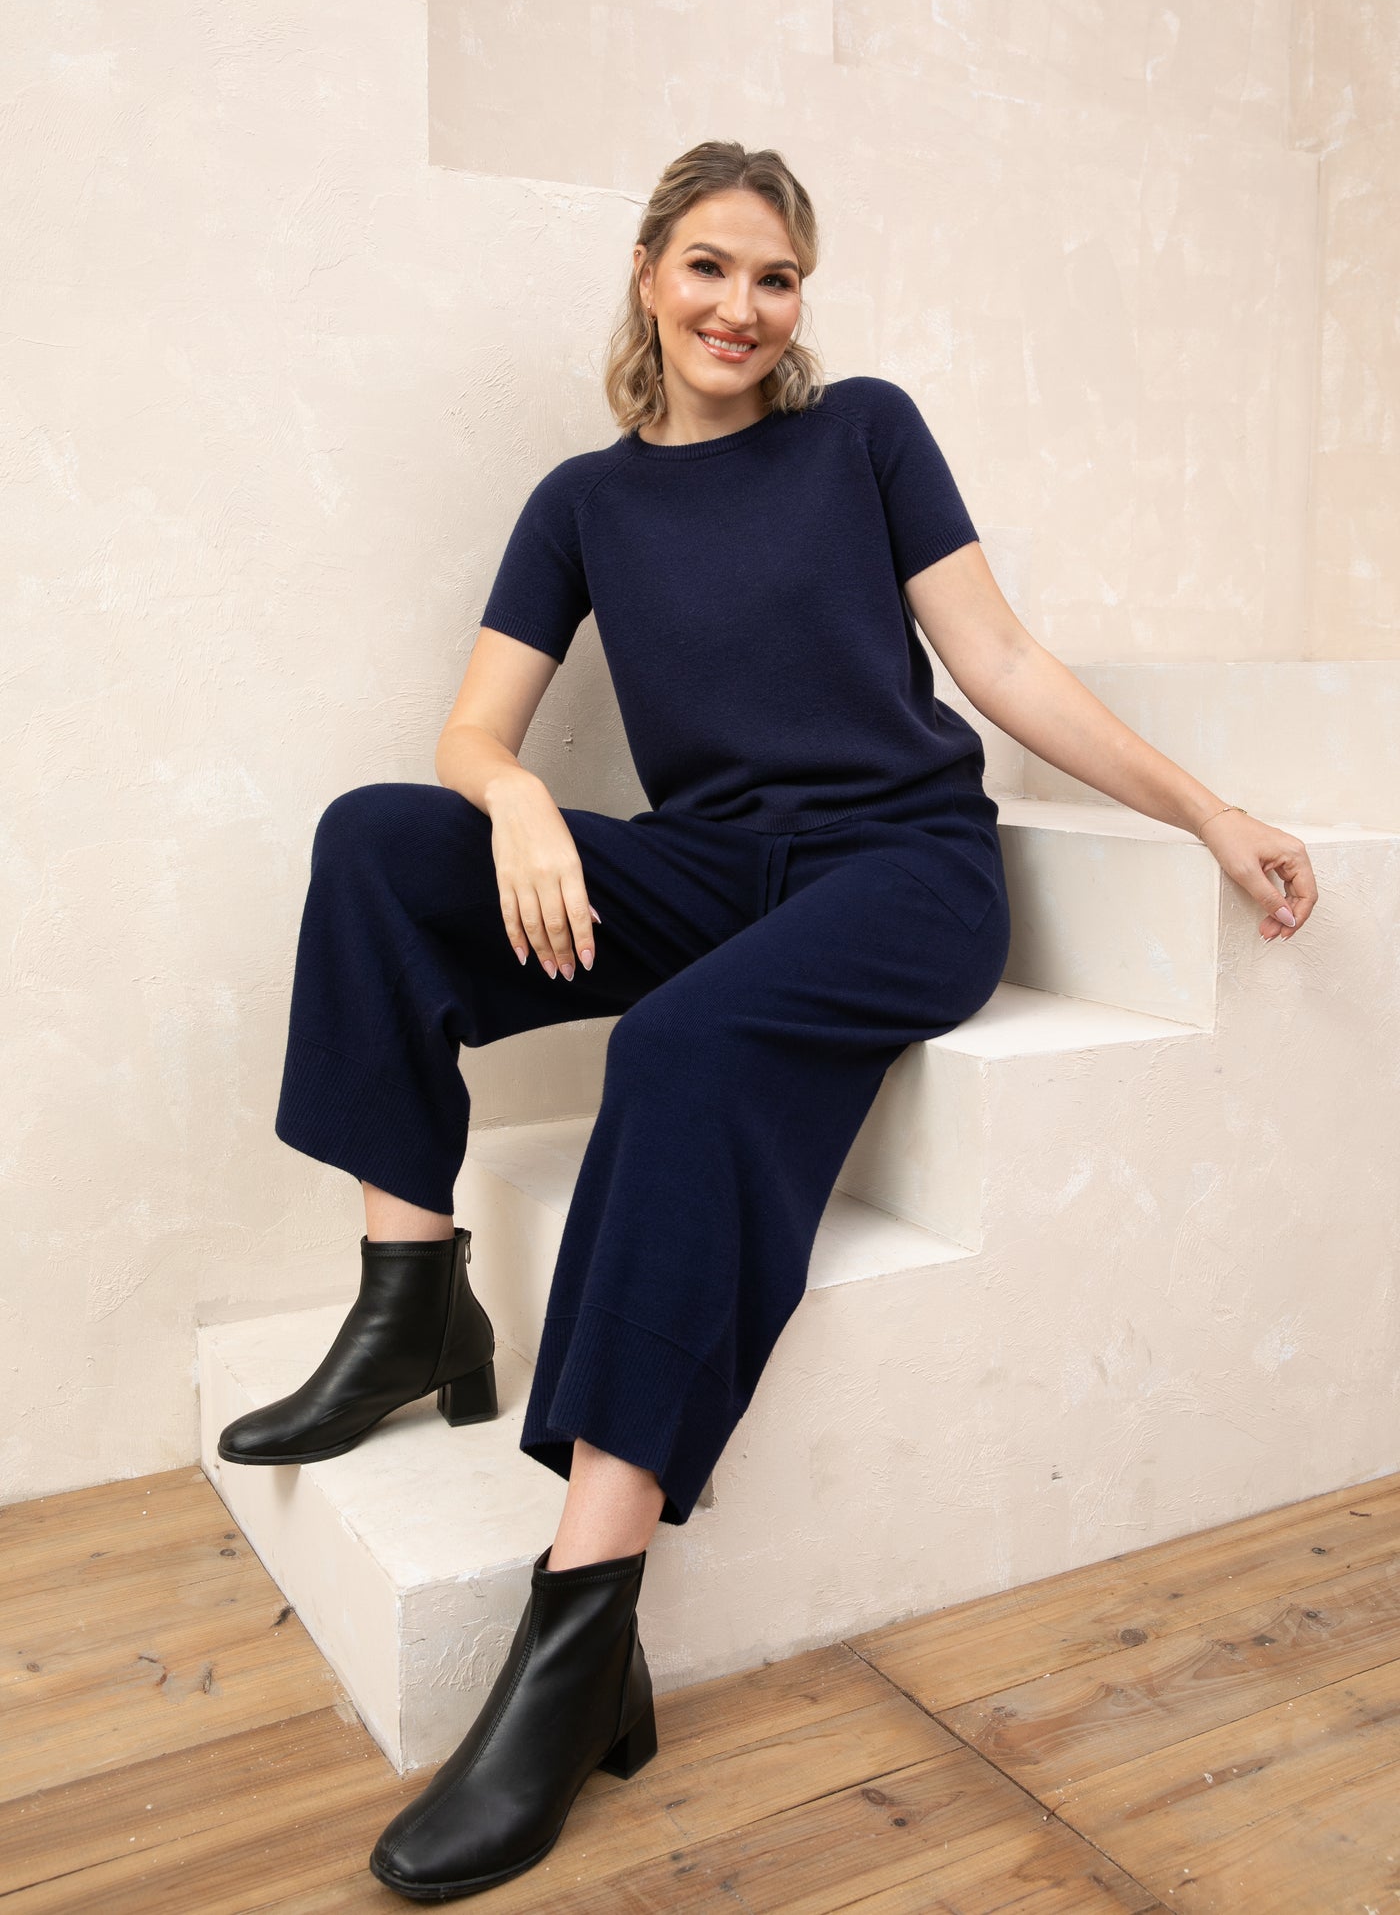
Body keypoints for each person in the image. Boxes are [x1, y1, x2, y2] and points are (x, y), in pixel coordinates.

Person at [219, 139, 1318, 1901]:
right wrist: (515, 798)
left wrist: (1206, 812)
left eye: (778, 277)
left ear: (805, 298)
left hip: (902, 872)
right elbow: (470, 732)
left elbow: (1002, 665)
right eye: (712, 268)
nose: (743, 308)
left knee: (673, 1050)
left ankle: (582, 1630)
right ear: (651, 274)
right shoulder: (582, 502)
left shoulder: (862, 433)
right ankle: (410, 1300)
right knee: (377, 843)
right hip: (708, 867)